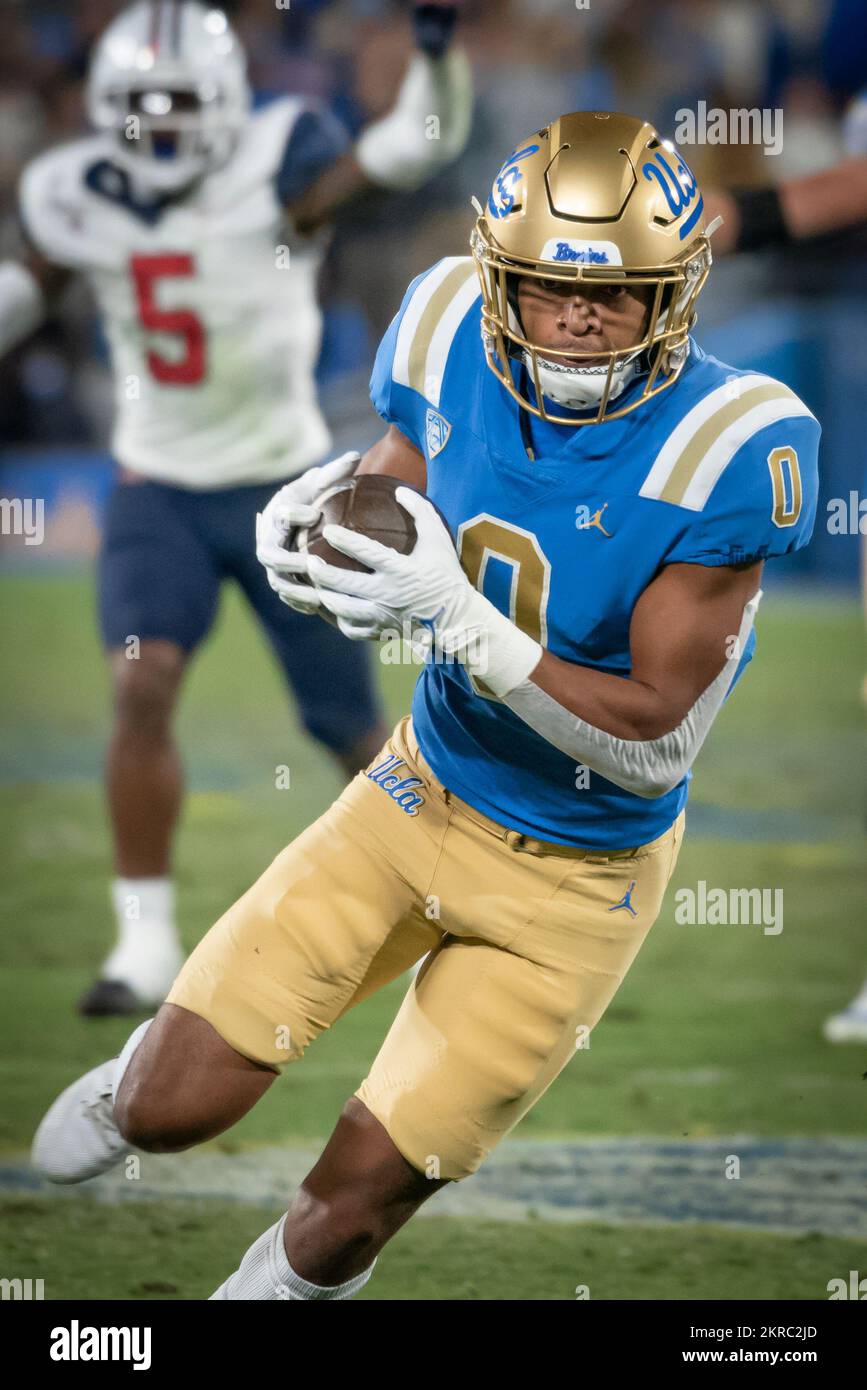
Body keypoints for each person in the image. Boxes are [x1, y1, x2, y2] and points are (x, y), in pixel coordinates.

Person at [31, 112, 819, 1301]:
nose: (581, 317)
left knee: (344, 1219)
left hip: (578, 880)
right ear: (501, 278)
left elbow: (651, 737)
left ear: (679, 292)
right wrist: (335, 522)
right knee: (167, 1112)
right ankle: (129, 1078)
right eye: (551, 285)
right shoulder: (446, 319)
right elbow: (409, 465)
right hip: (418, 787)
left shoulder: (727, 445)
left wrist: (457, 620)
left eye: (619, 293)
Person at [0, 0, 472, 1015]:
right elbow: (26, 288)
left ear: (221, 101)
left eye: (181, 104)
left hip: (285, 483)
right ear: (106, 110)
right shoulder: (70, 189)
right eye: (145, 107)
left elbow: (408, 146)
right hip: (155, 485)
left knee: (351, 732)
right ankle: (144, 945)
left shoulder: (281, 156)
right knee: (141, 685)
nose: (163, 125)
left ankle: (440, 904)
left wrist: (436, 58)